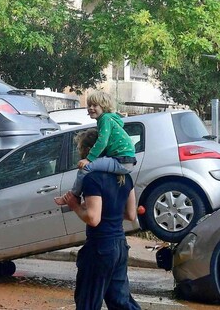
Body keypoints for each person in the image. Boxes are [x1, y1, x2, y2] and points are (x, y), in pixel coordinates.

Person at [62, 128, 142, 310]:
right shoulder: (124, 177)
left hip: (100, 247)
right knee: (121, 301)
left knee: (88, 302)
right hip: (120, 246)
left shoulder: (92, 179)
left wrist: (75, 206)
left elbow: (93, 219)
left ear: (88, 151)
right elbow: (131, 215)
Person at [55, 90, 135, 205]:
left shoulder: (105, 119)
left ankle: (74, 196)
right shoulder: (111, 119)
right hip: (126, 159)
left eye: (95, 105)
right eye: (89, 105)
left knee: (85, 168)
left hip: (121, 160)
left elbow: (102, 141)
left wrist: (89, 159)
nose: (91, 108)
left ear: (104, 107)